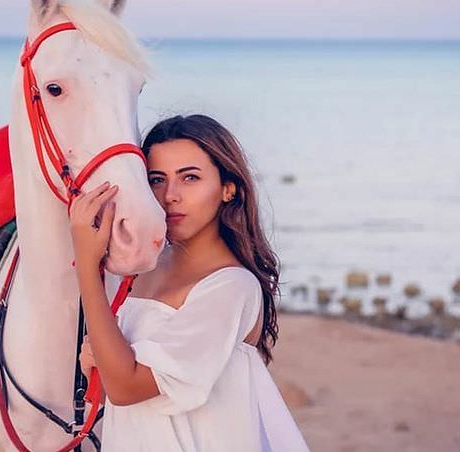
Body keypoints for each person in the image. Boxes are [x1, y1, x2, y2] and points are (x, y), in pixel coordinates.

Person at [69, 114, 311, 451]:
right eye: (156, 179)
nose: (170, 195)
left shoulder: (231, 286)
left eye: (190, 178)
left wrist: (87, 265)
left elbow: (126, 387)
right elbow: (117, 382)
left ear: (229, 189)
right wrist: (103, 358)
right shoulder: (145, 270)